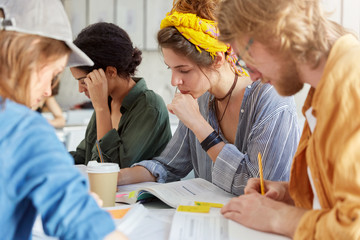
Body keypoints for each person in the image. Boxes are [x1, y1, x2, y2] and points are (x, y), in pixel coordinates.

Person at [116, 0, 300, 196]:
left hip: (256, 224)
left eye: (184, 70)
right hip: (209, 218)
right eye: (171, 69)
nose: (174, 81)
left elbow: (258, 187)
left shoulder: (270, 98)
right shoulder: (201, 98)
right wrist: (116, 177)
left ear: (218, 60)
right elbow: (168, 165)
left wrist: (199, 125)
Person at [218, 0, 360, 239]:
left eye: (246, 57)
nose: (251, 75)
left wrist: (276, 217)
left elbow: (353, 225)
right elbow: (335, 197)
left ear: (277, 29)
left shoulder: (351, 86)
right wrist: (289, 194)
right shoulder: (322, 91)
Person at [0, 0, 126, 239]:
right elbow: (90, 229)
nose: (48, 91)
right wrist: (77, 203)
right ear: (31, 53)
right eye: (54, 74)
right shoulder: (24, 130)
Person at [69, 22, 172, 167]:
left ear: (111, 72)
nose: (80, 89)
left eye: (84, 81)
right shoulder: (108, 100)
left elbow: (110, 169)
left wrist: (101, 109)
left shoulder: (149, 106)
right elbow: (84, 155)